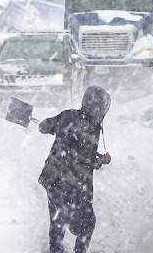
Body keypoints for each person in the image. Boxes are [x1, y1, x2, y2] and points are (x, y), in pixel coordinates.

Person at [38, 85, 112, 253]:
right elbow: (84, 159)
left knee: (58, 221)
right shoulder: (91, 126)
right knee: (87, 222)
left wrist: (51, 127)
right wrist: (99, 161)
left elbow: (44, 127)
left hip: (53, 178)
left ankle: (56, 248)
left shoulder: (68, 115)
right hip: (72, 183)